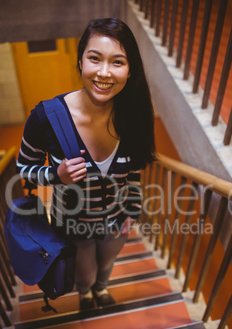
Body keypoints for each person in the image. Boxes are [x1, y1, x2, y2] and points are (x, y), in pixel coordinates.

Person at [16, 18, 155, 311]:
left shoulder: (133, 116)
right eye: (95, 58)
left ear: (130, 71)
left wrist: (131, 210)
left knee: (106, 265)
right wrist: (56, 174)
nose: (104, 73)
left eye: (118, 62)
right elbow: (24, 170)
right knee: (85, 273)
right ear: (80, 61)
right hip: (73, 225)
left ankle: (101, 290)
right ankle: (86, 295)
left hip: (116, 221)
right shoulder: (47, 118)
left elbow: (133, 173)